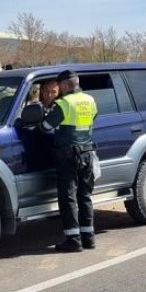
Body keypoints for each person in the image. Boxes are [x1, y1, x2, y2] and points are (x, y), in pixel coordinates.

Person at [40, 69, 98, 251]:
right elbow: (93, 118)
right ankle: (89, 238)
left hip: (68, 155)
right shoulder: (90, 100)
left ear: (65, 85)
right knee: (85, 196)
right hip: (87, 153)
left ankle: (73, 240)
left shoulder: (64, 103)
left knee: (68, 198)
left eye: (59, 85)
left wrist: (42, 120)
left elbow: (45, 126)